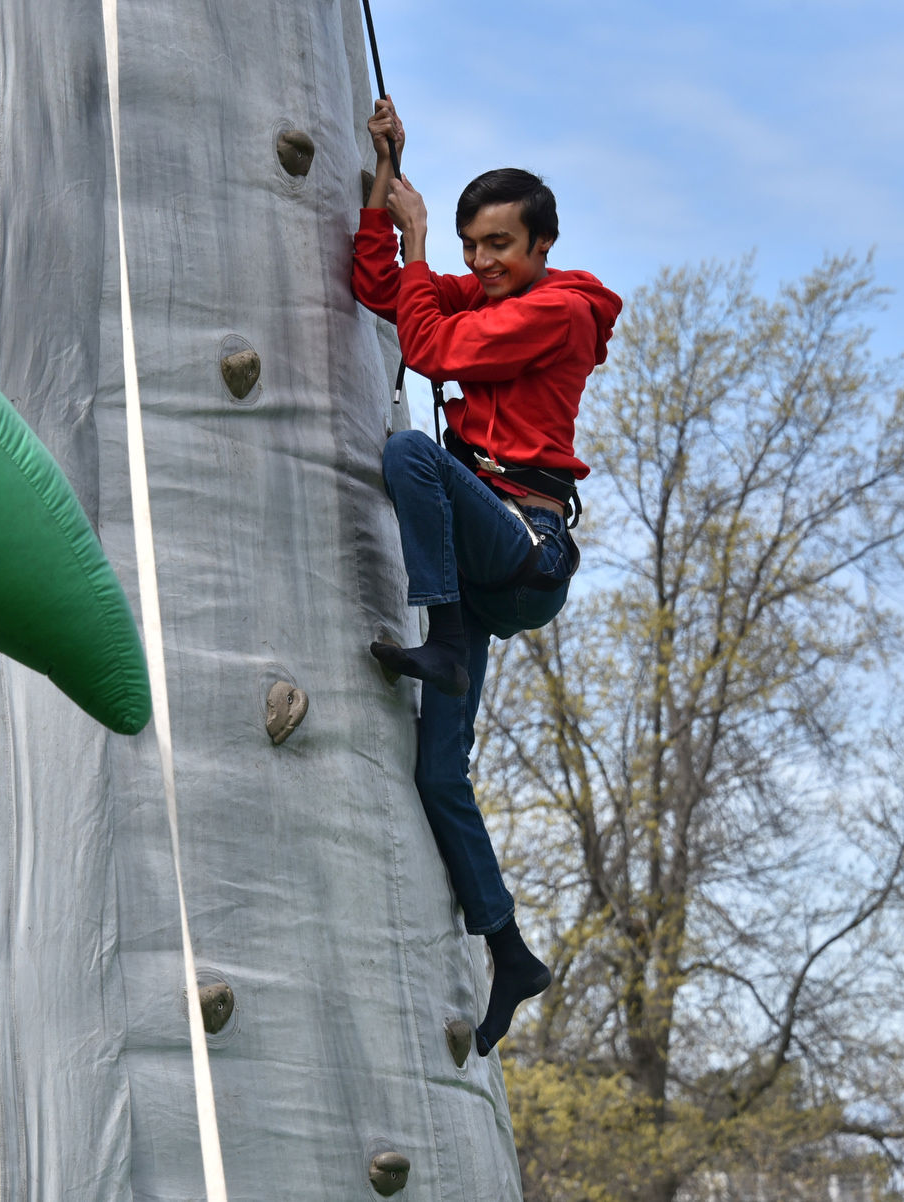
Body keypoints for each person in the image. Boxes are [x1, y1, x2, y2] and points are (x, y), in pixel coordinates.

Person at [351, 98, 622, 1056]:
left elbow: (426, 348)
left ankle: (439, 640)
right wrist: (386, 191)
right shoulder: (491, 295)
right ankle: (510, 950)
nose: (480, 264)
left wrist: (418, 237)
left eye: (499, 245)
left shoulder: (553, 310)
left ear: (544, 244)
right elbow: (386, 291)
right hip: (481, 557)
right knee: (438, 773)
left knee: (412, 456)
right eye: (469, 246)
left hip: (525, 545)